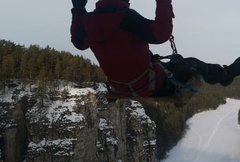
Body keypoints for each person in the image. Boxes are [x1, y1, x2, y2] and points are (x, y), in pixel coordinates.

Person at [70, 0, 240, 97]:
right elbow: (161, 34)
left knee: (170, 63)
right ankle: (225, 76)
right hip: (149, 85)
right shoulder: (126, 17)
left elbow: (79, 43)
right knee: (192, 64)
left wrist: (78, 8)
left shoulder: (88, 23)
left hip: (120, 86)